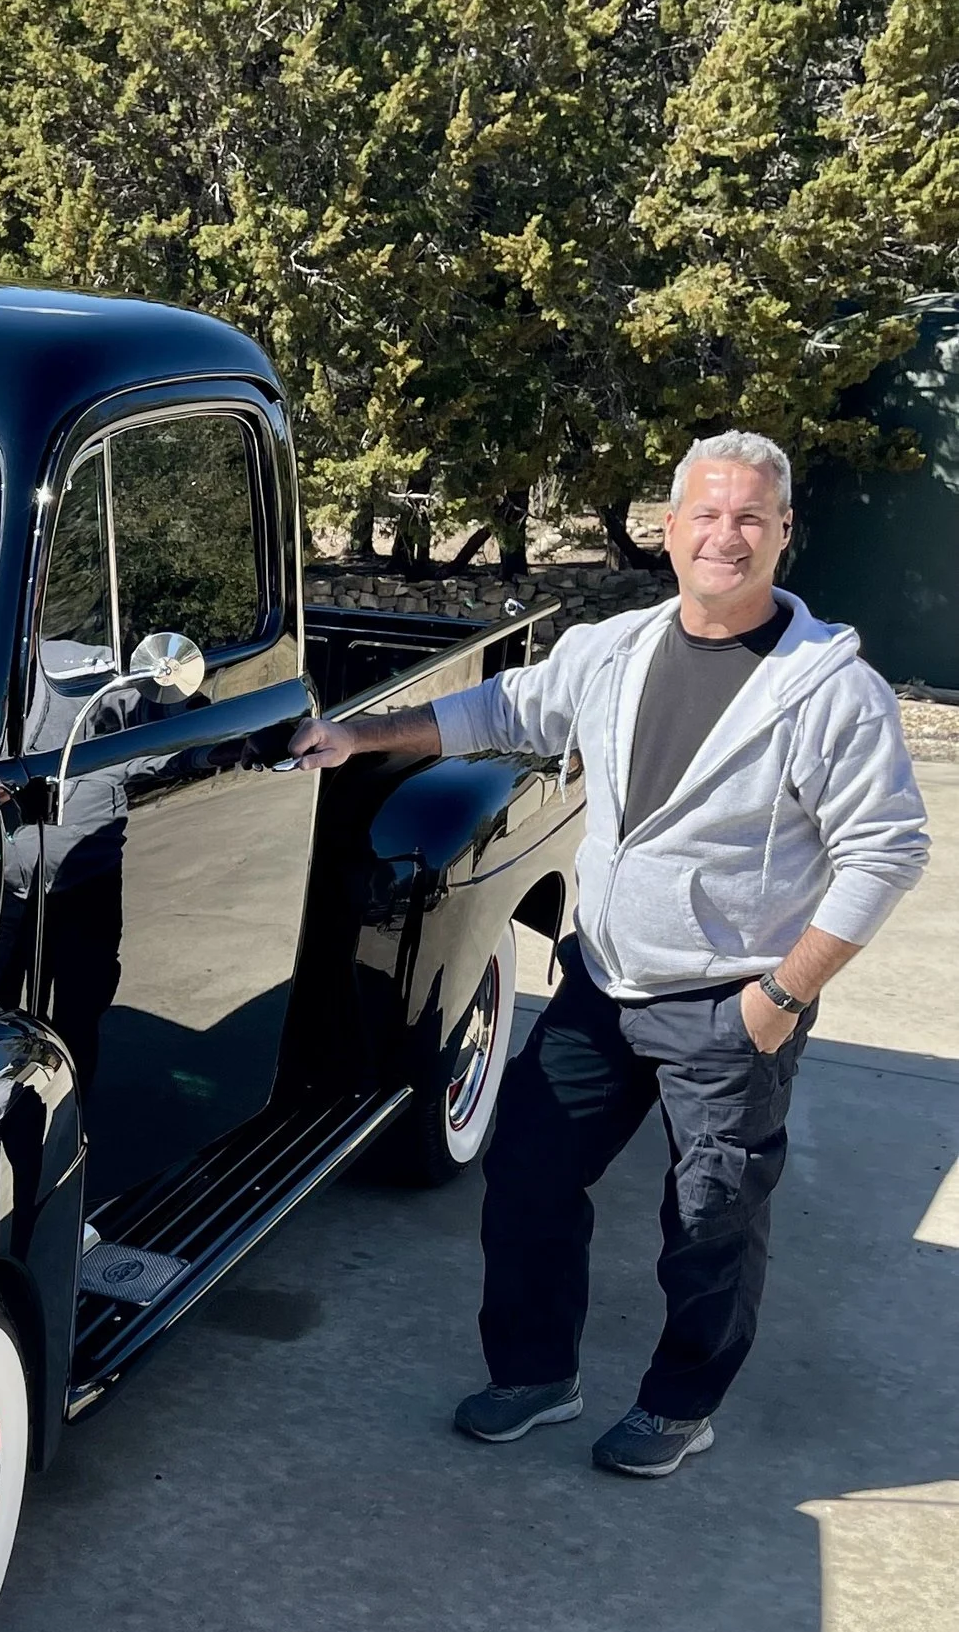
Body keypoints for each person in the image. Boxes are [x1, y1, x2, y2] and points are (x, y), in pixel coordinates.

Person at [288, 431, 930, 1477]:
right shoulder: (614, 649)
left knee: (708, 1221)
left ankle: (681, 1405)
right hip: (601, 985)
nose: (726, 536)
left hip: (729, 1007)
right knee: (530, 1183)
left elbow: (886, 848)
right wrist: (362, 737)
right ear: (668, 530)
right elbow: (498, 709)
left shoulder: (826, 689)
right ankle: (536, 1376)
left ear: (781, 536)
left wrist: (779, 994)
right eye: (705, 516)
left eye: (750, 519)